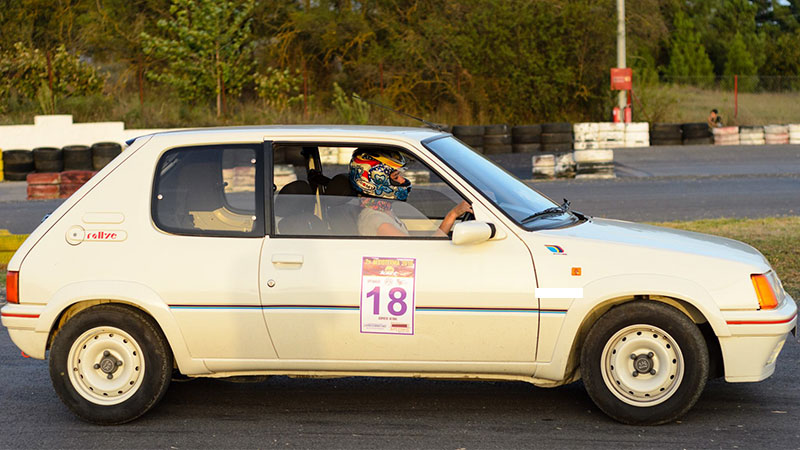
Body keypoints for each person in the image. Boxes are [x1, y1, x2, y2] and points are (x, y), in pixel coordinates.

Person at [349, 148, 472, 237]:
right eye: (396, 177)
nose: (402, 180)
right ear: (375, 181)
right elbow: (423, 253)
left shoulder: (383, 211)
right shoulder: (378, 220)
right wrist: (453, 215)